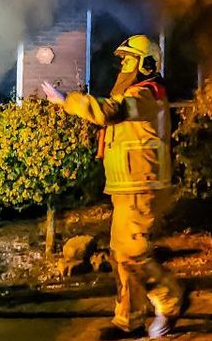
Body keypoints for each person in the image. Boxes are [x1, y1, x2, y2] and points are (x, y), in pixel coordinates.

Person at [43, 34, 185, 339]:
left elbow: (111, 112)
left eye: (128, 61)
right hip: (127, 188)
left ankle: (170, 301)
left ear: (146, 65)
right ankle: (129, 322)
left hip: (142, 187)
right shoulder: (139, 92)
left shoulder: (147, 94)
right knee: (122, 255)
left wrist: (67, 100)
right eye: (122, 61)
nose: (122, 66)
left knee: (133, 253)